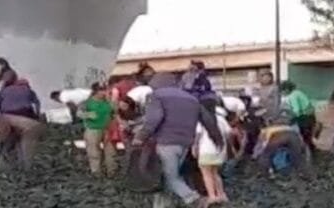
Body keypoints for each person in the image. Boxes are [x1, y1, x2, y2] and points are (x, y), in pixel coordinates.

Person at [132, 73, 222, 208]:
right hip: (186, 142)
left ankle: (195, 199)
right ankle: (163, 204)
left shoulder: (156, 96)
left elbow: (154, 118)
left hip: (165, 141)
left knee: (170, 176)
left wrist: (141, 136)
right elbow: (207, 119)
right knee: (169, 175)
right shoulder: (191, 99)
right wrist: (217, 138)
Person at [0, 74, 44, 170]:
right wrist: (37, 116)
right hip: (24, 114)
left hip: (7, 116)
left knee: (8, 141)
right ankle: (26, 166)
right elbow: (37, 104)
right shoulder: (28, 90)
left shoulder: (4, 90)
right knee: (26, 141)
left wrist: (2, 113)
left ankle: (4, 166)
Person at [193, 100, 230, 204]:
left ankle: (212, 196)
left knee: (206, 174)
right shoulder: (221, 119)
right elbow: (228, 133)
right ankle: (222, 194)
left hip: (205, 150)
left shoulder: (201, 120)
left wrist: (194, 147)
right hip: (219, 150)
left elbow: (198, 135)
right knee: (215, 173)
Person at [78, 83, 116, 176]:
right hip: (93, 129)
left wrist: (111, 101)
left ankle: (111, 171)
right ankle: (96, 172)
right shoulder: (87, 102)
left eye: (105, 90)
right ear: (95, 91)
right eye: (101, 90)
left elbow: (115, 111)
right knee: (94, 151)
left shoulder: (108, 101)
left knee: (110, 152)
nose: (103, 92)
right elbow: (79, 114)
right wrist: (89, 115)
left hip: (107, 128)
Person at [281, 81, 317, 153]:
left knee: (304, 136)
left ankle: (307, 154)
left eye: (283, 91)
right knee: (307, 137)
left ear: (287, 89)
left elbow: (296, 111)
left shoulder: (293, 96)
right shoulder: (298, 92)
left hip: (304, 118)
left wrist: (288, 118)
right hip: (310, 116)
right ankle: (311, 151)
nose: (282, 93)